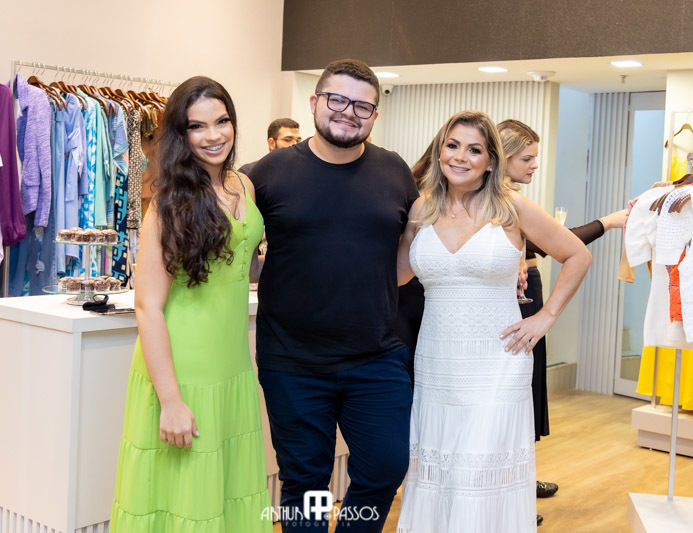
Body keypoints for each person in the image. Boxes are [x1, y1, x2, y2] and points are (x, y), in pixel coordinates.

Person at [396, 110, 592, 532]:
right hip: (438, 360)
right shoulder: (421, 209)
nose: (460, 157)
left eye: (474, 150)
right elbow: (396, 274)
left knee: (480, 469)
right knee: (443, 469)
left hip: (499, 357)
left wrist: (545, 317)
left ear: (490, 160)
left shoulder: (511, 207)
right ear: (439, 151)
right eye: (452, 146)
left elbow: (578, 255)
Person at [248, 59, 417, 532]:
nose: (348, 112)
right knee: (305, 483)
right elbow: (228, 239)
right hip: (292, 361)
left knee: (385, 468)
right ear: (314, 102)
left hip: (375, 357)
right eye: (337, 99)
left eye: (362, 106)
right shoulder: (268, 172)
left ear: (375, 115)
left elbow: (422, 238)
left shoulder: (394, 170)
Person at [110, 76, 271, 533]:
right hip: (182, 371)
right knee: (183, 501)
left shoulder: (244, 185)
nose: (213, 135)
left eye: (222, 121)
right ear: (181, 135)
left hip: (232, 366)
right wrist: (171, 400)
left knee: (225, 493)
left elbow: (239, 267)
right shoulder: (169, 202)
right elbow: (148, 306)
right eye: (197, 126)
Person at [498, 119, 627, 508]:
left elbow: (556, 243)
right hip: (514, 296)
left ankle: (520, 479)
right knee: (515, 384)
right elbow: (559, 244)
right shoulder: (498, 202)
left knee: (528, 383)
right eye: (527, 158)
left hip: (529, 293)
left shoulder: (513, 201)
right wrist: (609, 222)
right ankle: (512, 485)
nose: (535, 165)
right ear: (503, 157)